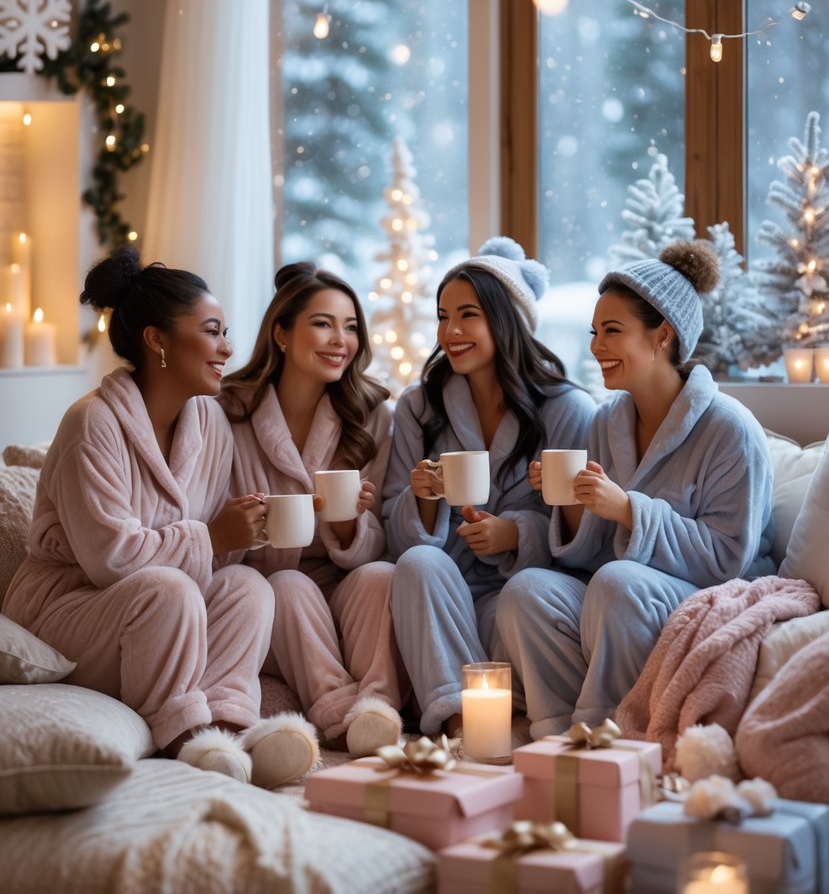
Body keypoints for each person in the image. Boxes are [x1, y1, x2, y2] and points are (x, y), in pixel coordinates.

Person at [3, 247, 320, 790]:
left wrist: (246, 529)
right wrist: (210, 536)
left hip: (159, 613)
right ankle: (184, 736)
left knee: (248, 587)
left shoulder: (211, 424)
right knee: (169, 590)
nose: (228, 347)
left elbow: (213, 556)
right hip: (70, 610)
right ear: (157, 340)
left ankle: (226, 727)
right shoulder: (92, 423)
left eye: (226, 333)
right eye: (213, 331)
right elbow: (109, 560)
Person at [494, 240, 776, 738]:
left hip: (703, 594)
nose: (595, 346)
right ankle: (558, 733)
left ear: (661, 335)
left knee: (617, 582)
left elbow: (729, 557)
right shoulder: (608, 422)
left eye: (612, 331)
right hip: (618, 594)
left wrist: (629, 510)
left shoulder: (730, 429)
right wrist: (573, 501)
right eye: (594, 332)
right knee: (527, 590)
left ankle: (612, 738)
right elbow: (589, 554)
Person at [383, 237, 596, 739]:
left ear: (507, 320)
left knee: (523, 598)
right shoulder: (419, 407)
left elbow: (590, 541)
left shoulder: (567, 410)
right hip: (444, 608)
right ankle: (462, 723)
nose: (451, 331)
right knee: (418, 563)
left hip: (517, 610)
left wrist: (517, 534)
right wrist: (421, 498)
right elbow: (395, 533)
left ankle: (526, 721)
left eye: (468, 315)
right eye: (443, 316)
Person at [221, 262, 405, 756]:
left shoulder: (372, 416)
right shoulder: (228, 412)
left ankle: (377, 710)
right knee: (289, 583)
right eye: (323, 324)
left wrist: (348, 524)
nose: (340, 340)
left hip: (340, 587)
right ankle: (339, 717)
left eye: (351, 327)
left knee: (382, 576)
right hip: (271, 595)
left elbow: (377, 541)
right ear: (281, 334)